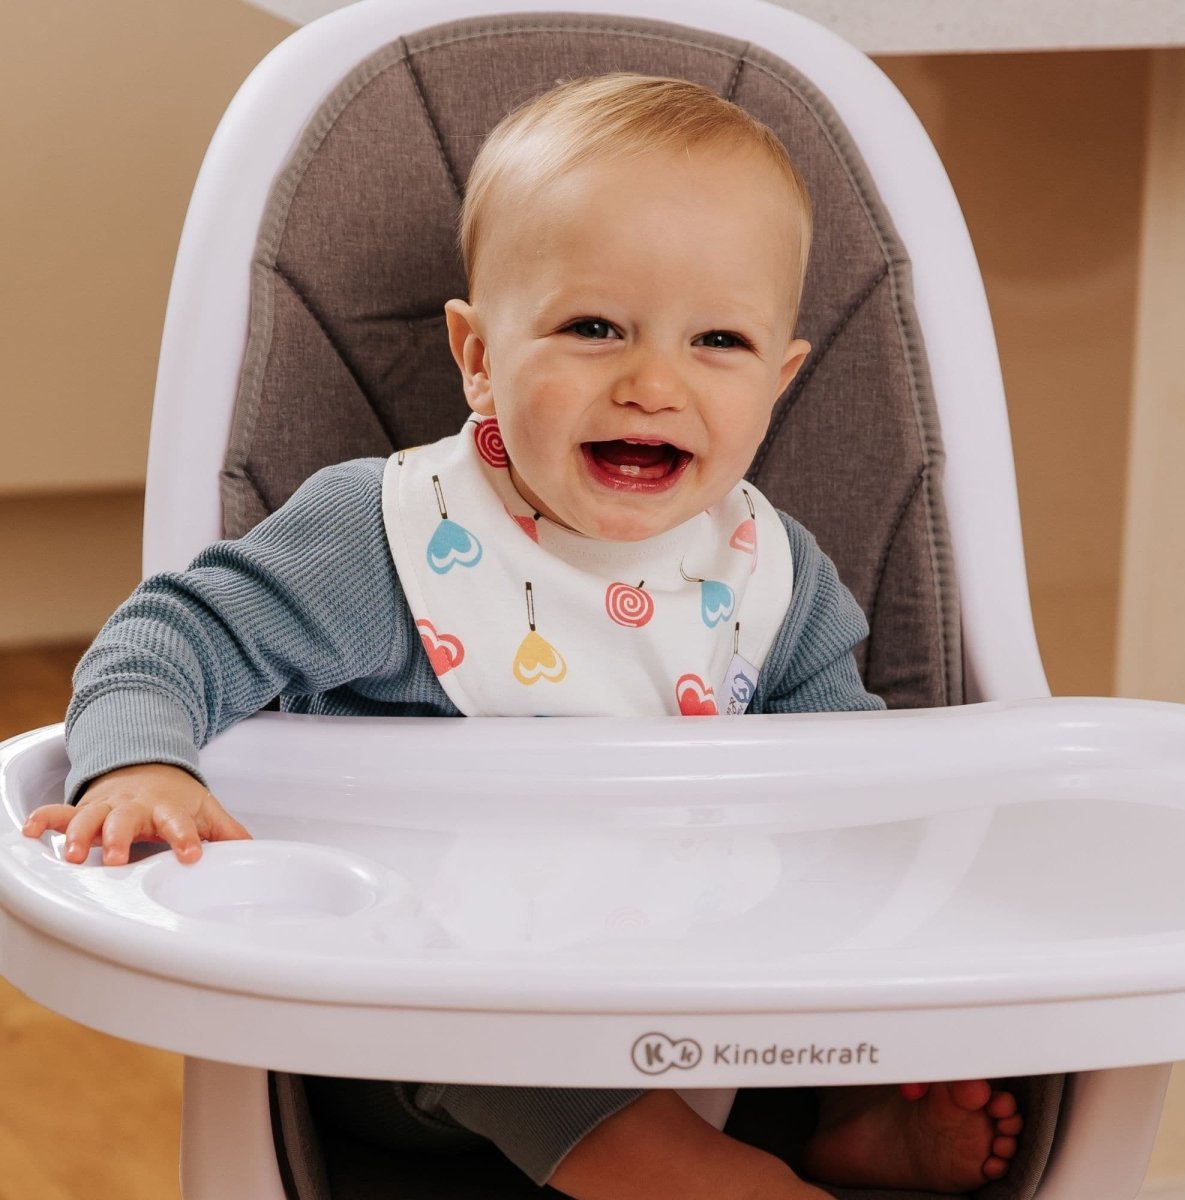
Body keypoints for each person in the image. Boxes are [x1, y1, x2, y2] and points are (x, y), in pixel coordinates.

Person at [23, 74, 1022, 1199]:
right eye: (594, 328)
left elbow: (857, 803)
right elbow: (172, 633)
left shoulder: (772, 580)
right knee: (477, 1026)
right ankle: (682, 1172)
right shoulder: (390, 538)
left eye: (719, 341)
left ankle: (839, 1114)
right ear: (479, 353)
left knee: (842, 963)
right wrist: (143, 758)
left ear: (780, 380)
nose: (653, 382)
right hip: (439, 1024)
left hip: (699, 993)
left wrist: (907, 895)